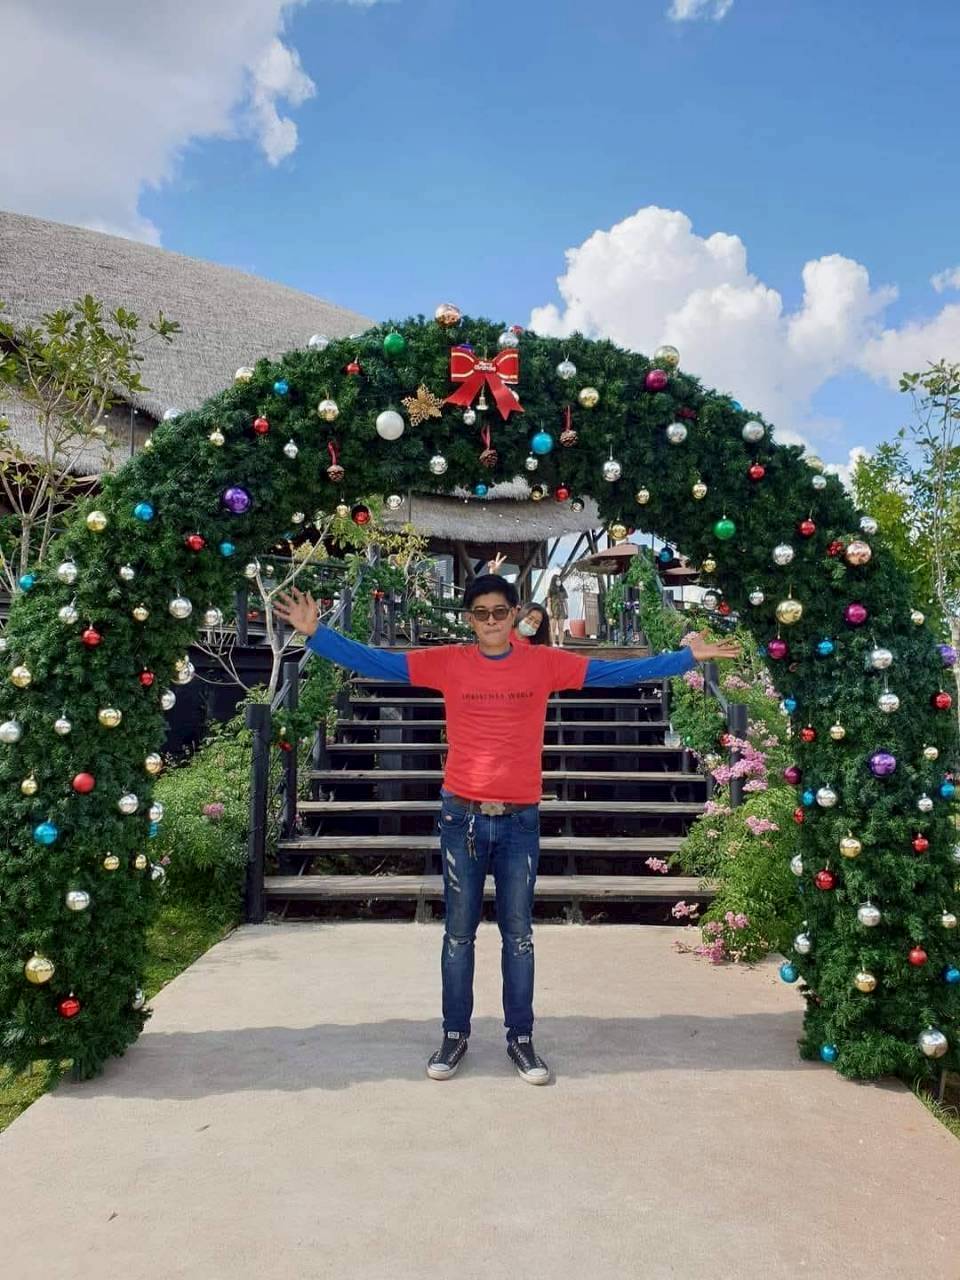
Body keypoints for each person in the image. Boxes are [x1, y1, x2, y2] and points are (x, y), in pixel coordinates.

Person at [274, 574, 739, 1085]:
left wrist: (686, 659)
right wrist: (318, 633)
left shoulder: (544, 663)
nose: (491, 621)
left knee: (519, 936)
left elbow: (613, 674)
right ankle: (455, 1034)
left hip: (520, 819)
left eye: (500, 611)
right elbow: (378, 662)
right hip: (462, 818)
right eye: (481, 613)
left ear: (516, 613)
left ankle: (521, 1038)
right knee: (458, 934)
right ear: (469, 619)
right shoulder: (449, 661)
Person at [546, 576, 568, 647]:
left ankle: (561, 643)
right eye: (557, 580)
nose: (558, 581)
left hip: (561, 611)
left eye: (559, 580)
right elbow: (549, 601)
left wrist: (567, 611)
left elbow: (565, 601)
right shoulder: (550, 590)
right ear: (554, 581)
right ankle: (553, 642)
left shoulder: (563, 590)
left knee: (561, 628)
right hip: (553, 610)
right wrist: (550, 610)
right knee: (553, 628)